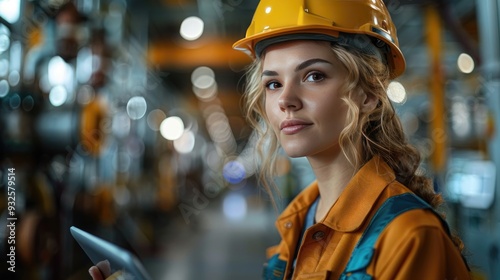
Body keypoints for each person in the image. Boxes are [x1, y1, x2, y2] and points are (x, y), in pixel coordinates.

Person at [231, 0, 471, 279]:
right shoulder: (298, 222)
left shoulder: (408, 237)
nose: (285, 100)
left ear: (368, 94)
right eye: (273, 84)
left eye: (313, 76)